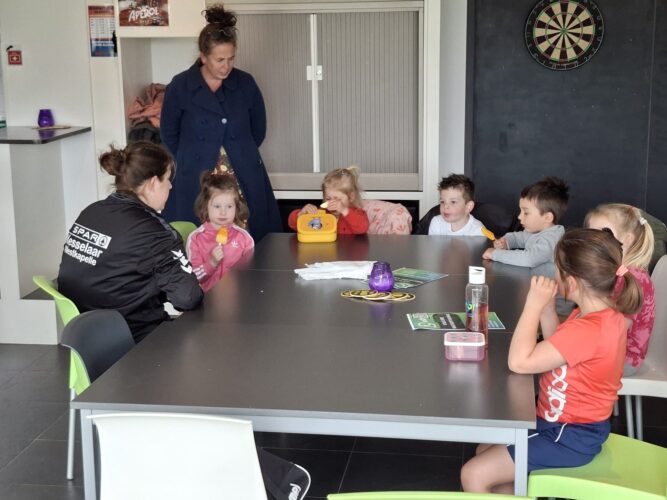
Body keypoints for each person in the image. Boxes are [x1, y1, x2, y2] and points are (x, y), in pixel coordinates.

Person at [462, 228, 642, 493]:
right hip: (570, 426)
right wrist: (547, 312)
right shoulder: (600, 316)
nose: (552, 274)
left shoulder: (589, 329)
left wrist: (533, 306)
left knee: (474, 474)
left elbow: (520, 362)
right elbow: (562, 348)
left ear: (572, 282)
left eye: (556, 268)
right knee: (484, 451)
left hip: (569, 434)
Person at [57, 141, 203, 343]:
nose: (170, 186)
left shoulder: (92, 211)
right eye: (168, 179)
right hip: (134, 341)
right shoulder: (155, 232)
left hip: (86, 340)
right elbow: (188, 298)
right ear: (153, 183)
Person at [160, 3, 281, 242]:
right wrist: (191, 154)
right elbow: (168, 133)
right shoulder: (180, 86)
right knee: (199, 238)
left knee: (247, 235)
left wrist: (240, 149)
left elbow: (258, 129)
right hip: (196, 173)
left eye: (231, 58)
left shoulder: (245, 83)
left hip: (242, 169)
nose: (226, 66)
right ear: (203, 57)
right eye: (219, 59)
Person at [585, 203, 655, 375]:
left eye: (605, 234)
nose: (595, 241)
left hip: (623, 359)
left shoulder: (631, 277)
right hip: (611, 350)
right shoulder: (619, 271)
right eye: (591, 234)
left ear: (628, 240)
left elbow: (616, 329)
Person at [482, 177, 569, 276]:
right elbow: (519, 237)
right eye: (521, 211)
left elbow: (529, 259)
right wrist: (506, 241)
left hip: (547, 285)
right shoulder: (536, 230)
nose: (519, 216)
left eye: (526, 213)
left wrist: (495, 254)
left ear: (547, 217)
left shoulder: (551, 240)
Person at [186, 166, 254, 292]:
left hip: (239, 296)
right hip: (207, 298)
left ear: (237, 208)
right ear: (205, 206)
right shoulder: (196, 238)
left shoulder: (244, 238)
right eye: (217, 206)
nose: (223, 212)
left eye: (229, 206)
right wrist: (211, 263)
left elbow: (252, 273)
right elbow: (192, 278)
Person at [288, 166, 369, 235]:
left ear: (351, 197)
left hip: (349, 249)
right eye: (328, 199)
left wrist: (344, 210)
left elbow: (363, 228)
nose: (332, 202)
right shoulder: (322, 214)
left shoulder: (358, 213)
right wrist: (301, 214)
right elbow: (293, 225)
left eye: (338, 199)